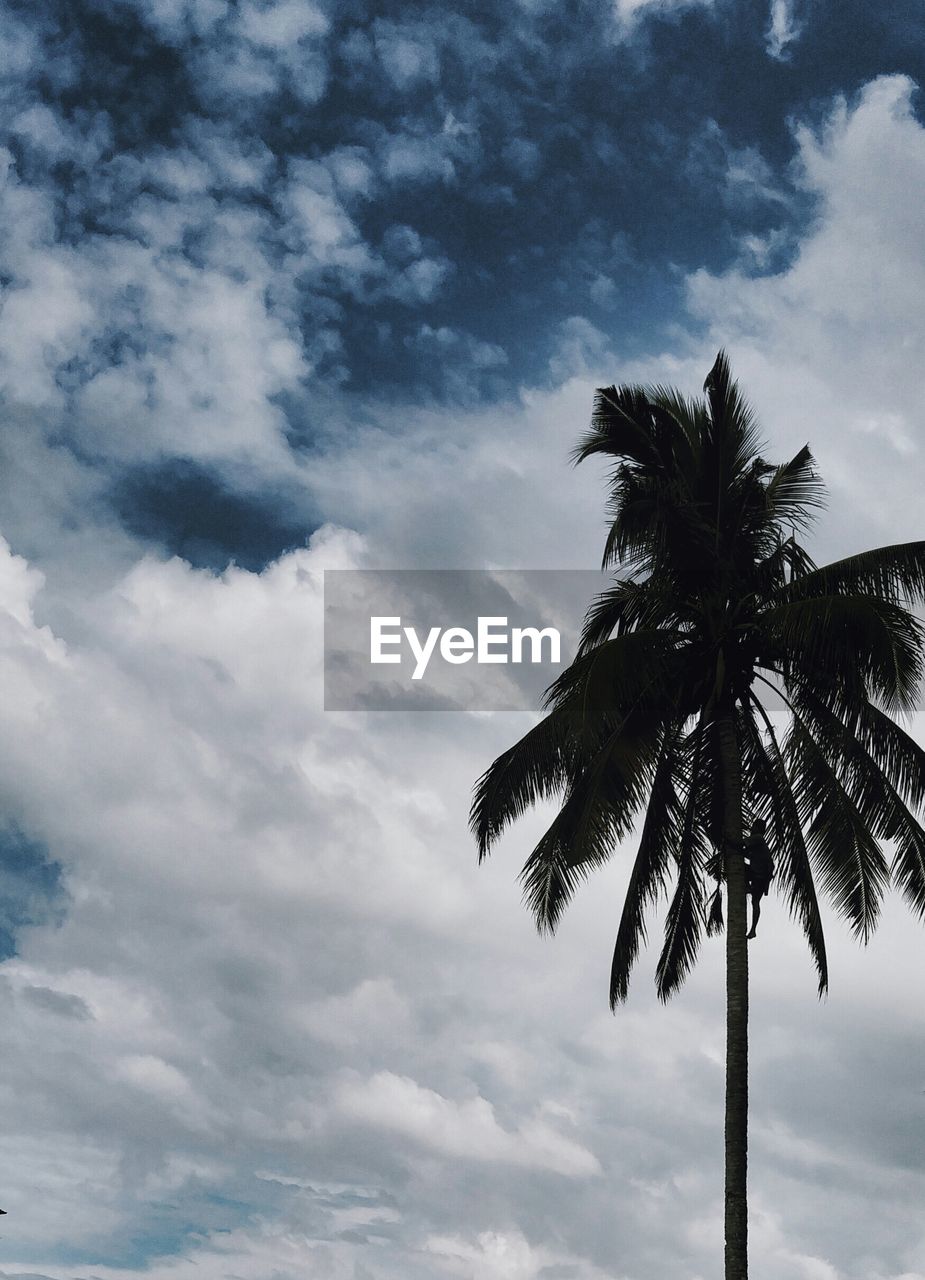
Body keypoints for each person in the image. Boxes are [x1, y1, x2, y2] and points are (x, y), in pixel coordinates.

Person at [743, 818, 774, 939]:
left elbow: (740, 844)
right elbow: (746, 853)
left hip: (759, 875)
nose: (751, 829)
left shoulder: (758, 838)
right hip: (762, 876)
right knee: (755, 902)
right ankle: (753, 930)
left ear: (757, 828)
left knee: (742, 868)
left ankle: (748, 887)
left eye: (753, 827)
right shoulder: (759, 842)